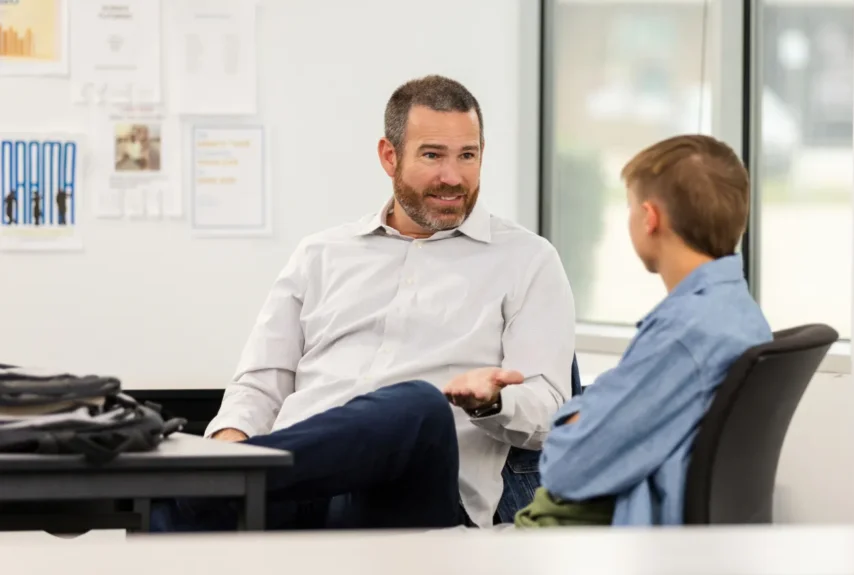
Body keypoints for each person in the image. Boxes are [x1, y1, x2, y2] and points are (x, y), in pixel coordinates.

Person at [151, 75, 575, 532]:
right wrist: (228, 448)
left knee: (417, 406)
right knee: (171, 506)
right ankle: (220, 484)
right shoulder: (321, 254)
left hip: (409, 496)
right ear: (389, 157)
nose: (453, 177)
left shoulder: (528, 260)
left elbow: (552, 410)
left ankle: (207, 486)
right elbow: (259, 385)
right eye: (432, 155)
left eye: (467, 156)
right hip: (292, 494)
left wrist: (492, 402)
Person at [515, 134, 772, 527]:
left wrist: (574, 420)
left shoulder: (686, 333)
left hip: (634, 541)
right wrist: (589, 415)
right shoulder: (736, 311)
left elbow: (567, 468)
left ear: (650, 217)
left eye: (630, 207)